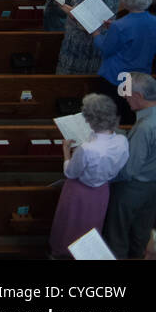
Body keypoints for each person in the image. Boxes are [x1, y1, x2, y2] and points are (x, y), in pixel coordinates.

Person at [103, 73, 156, 258]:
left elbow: (128, 170)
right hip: (155, 186)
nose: (125, 97)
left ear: (138, 96)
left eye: (127, 93)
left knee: (116, 237)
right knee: (141, 236)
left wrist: (103, 175)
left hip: (132, 189)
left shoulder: (145, 127)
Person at [49, 92, 129, 257]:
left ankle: (62, 254)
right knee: (91, 226)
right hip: (101, 191)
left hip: (78, 191)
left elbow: (70, 172)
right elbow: (119, 165)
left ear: (90, 120)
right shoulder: (122, 140)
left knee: (69, 226)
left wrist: (66, 152)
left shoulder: (87, 149)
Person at [91, 0, 156, 125]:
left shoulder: (121, 26)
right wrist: (116, 26)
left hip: (117, 78)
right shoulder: (155, 21)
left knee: (111, 117)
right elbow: (138, 34)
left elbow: (105, 48)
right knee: (129, 118)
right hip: (141, 77)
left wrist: (96, 33)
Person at [57, 0, 118, 75]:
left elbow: (80, 18)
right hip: (101, 36)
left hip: (82, 41)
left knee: (74, 74)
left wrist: (62, 6)